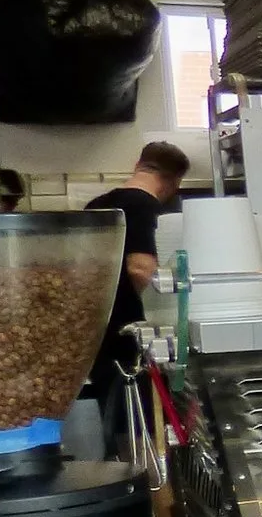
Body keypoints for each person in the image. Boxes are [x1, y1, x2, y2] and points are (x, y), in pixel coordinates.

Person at [81, 140, 188, 447]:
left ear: (138, 165)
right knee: (141, 423)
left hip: (96, 329)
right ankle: (150, 486)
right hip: (126, 332)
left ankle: (127, 475)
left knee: (117, 417)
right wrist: (145, 302)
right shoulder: (144, 205)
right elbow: (140, 268)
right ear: (172, 182)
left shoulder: (97, 205)